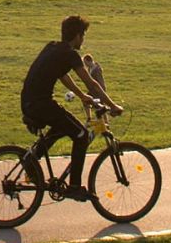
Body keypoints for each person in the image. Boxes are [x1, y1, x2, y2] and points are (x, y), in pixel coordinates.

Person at [20, 15, 122, 199]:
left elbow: (63, 76)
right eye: (83, 35)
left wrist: (83, 96)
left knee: (62, 125)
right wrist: (112, 105)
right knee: (81, 135)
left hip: (30, 102)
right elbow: (91, 83)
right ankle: (74, 186)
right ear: (76, 36)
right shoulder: (70, 54)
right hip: (41, 104)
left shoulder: (53, 47)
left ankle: (31, 159)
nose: (83, 40)